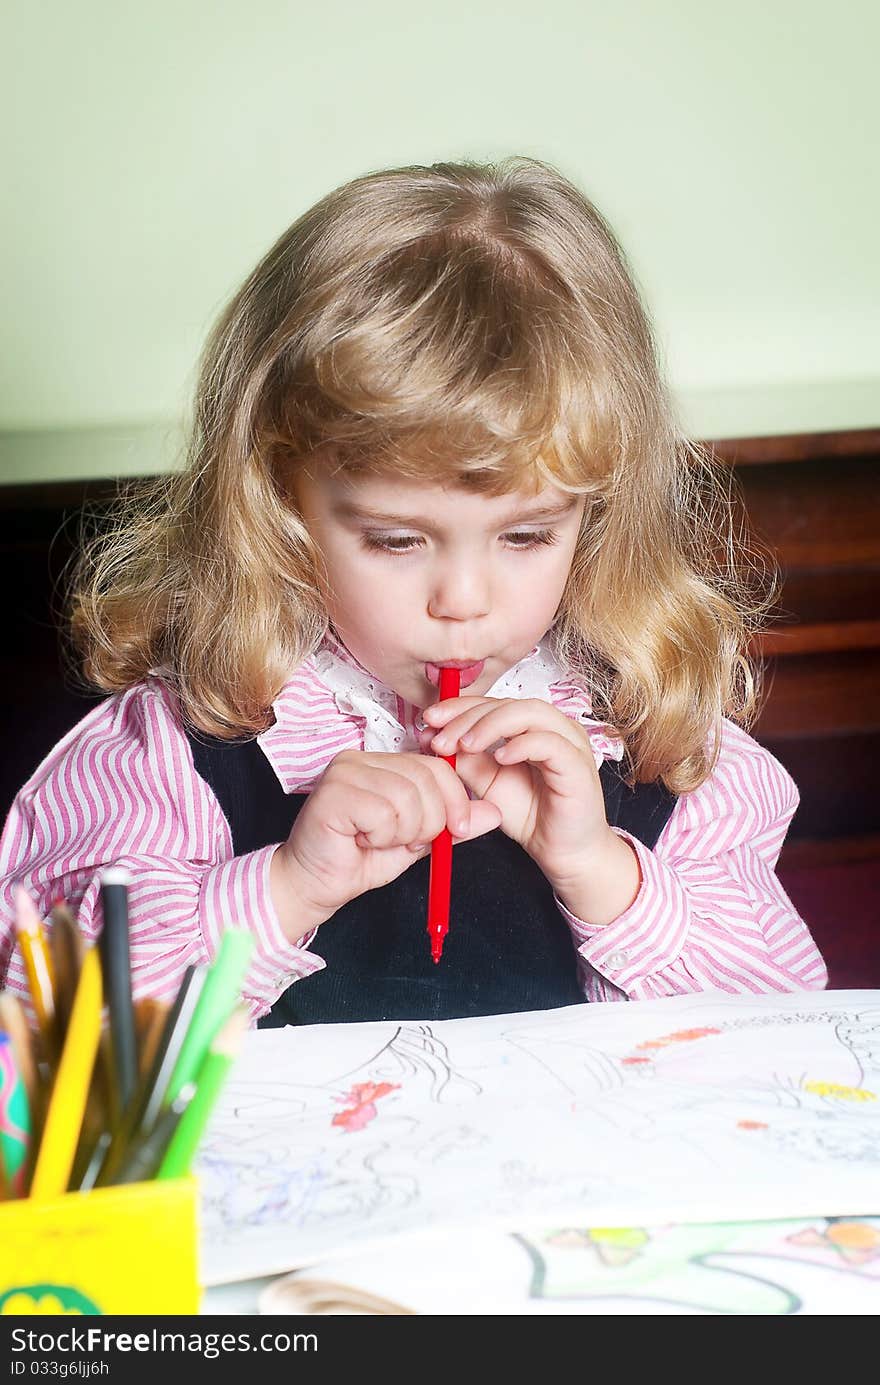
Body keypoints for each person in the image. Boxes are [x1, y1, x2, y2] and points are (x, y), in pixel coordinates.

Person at [0, 156, 827, 1026]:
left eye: (527, 534)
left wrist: (601, 871)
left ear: (599, 510)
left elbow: (792, 1029)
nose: (464, 600)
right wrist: (286, 886)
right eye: (397, 539)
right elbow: (42, 1021)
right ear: (280, 499)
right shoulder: (177, 746)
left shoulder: (653, 737)